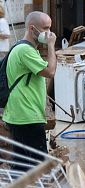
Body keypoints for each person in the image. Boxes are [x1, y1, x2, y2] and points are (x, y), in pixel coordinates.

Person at [2, 12, 57, 168]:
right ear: (32, 29)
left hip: (23, 115)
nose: (49, 33)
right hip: (26, 116)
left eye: (50, 28)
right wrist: (52, 46)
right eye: (46, 28)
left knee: (23, 164)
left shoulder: (25, 48)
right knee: (37, 167)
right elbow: (50, 71)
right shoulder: (25, 51)